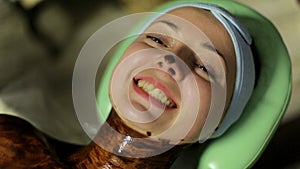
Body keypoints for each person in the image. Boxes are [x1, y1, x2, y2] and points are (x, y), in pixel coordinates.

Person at [0, 1, 255, 169]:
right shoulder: (12, 146)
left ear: (217, 123)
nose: (169, 60)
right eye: (156, 39)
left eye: (204, 67)